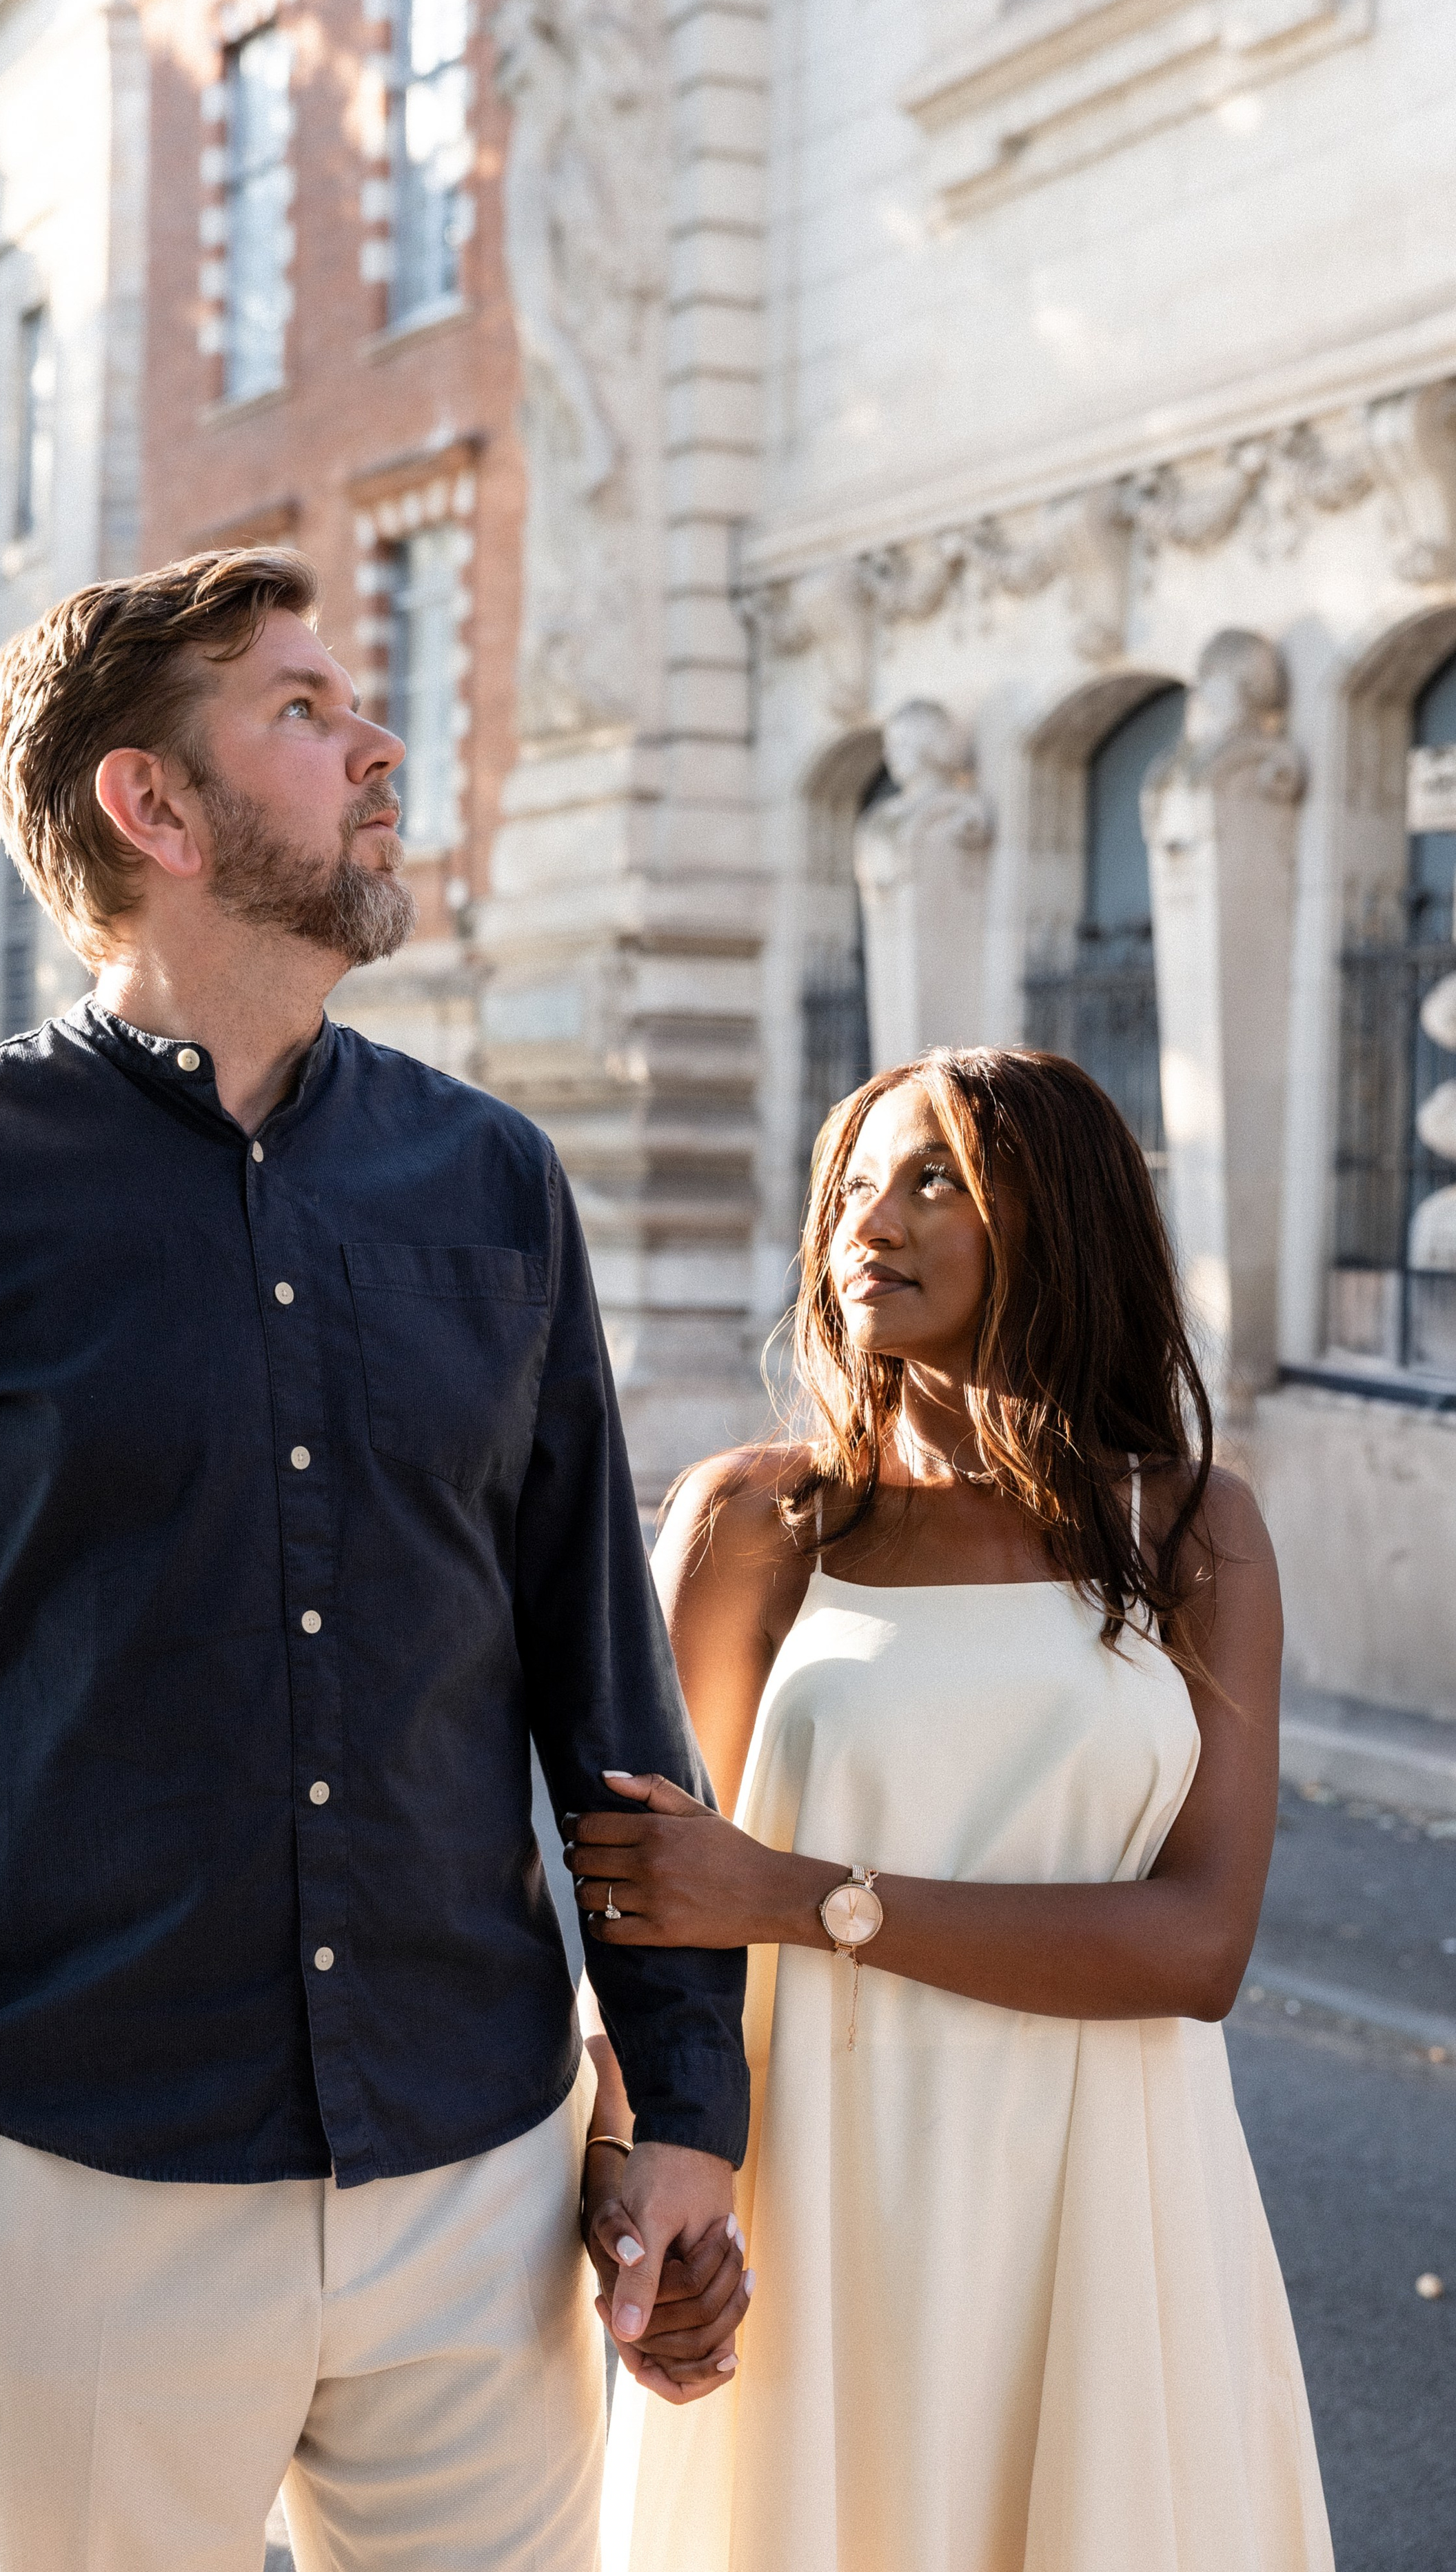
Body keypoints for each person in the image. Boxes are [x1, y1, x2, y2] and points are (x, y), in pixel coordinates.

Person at [0, 546, 751, 2572]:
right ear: (154, 809)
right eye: (302, 706)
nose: (379, 743)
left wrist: (684, 2109)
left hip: (476, 2186)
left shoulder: (493, 1185)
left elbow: (597, 1689)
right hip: (68, 2194)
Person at [572, 1048, 1335, 2572]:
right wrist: (628, 2179)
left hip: (1104, 2205)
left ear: (1053, 1218)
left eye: (930, 1180)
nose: (870, 1220)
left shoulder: (1187, 1533)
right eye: (850, 1184)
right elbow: (641, 1916)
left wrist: (802, 1899)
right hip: (810, 2197)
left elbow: (1195, 1948)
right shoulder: (750, 1524)